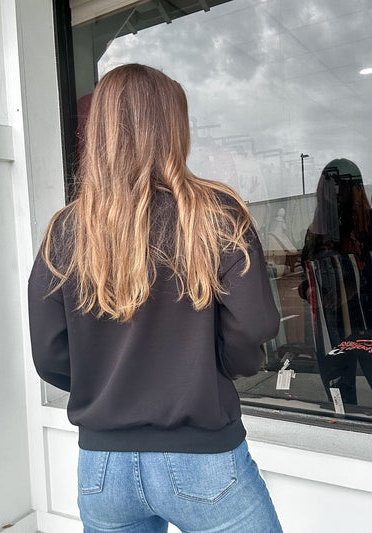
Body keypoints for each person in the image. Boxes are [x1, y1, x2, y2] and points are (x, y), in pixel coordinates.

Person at [28, 64, 283, 533]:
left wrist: (109, 387)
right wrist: (214, 369)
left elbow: (49, 355)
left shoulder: (65, 231)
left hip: (103, 468)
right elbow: (253, 328)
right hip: (202, 460)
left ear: (100, 131)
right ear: (172, 128)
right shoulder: (215, 215)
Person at [300, 158, 372, 405]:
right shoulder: (316, 233)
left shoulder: (368, 226)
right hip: (330, 329)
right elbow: (304, 279)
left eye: (342, 185)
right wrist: (311, 288)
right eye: (329, 187)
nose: (336, 192)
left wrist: (348, 290)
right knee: (339, 402)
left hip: (367, 326)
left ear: (356, 188)